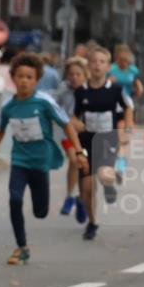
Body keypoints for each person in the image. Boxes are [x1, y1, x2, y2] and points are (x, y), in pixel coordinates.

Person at [0, 54, 86, 264]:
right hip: (19, 161)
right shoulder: (9, 107)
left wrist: (78, 152)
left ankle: (41, 208)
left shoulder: (44, 102)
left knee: (41, 212)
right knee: (15, 199)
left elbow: (67, 125)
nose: (24, 81)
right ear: (13, 78)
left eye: (29, 77)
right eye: (20, 76)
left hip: (40, 163)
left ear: (36, 79)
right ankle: (21, 247)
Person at [73, 44, 134, 240]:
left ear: (108, 66)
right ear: (88, 66)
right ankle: (92, 222)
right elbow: (73, 117)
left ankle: (108, 185)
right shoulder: (81, 91)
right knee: (88, 187)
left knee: (104, 175)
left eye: (102, 62)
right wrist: (77, 125)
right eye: (94, 62)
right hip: (87, 141)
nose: (97, 65)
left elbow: (128, 107)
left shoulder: (115, 89)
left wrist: (128, 127)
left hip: (107, 139)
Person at [56, 56, 90, 223]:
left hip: (87, 134)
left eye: (78, 74)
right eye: (71, 74)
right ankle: (70, 196)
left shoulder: (92, 90)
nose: (74, 77)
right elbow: (55, 110)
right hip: (68, 134)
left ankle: (81, 201)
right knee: (74, 160)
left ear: (85, 75)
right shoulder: (63, 91)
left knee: (85, 169)